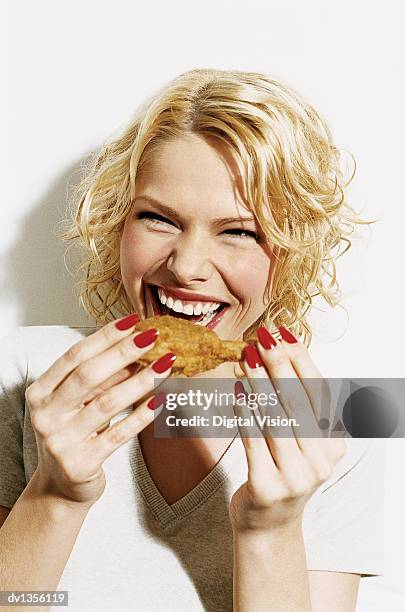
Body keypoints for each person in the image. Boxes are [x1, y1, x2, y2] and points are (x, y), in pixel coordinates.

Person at [0, 68, 385, 611]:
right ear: (118, 222)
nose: (186, 267)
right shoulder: (25, 375)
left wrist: (268, 530)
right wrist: (55, 495)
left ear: (294, 251)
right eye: (158, 218)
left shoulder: (338, 428)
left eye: (239, 231)